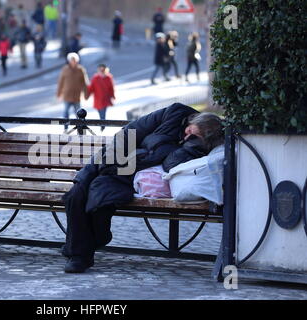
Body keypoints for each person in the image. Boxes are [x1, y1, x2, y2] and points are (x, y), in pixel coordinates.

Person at [61, 104, 224, 273]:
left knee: (100, 198)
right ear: (193, 120)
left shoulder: (197, 147)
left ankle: (80, 255)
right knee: (76, 194)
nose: (187, 135)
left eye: (194, 136)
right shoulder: (175, 113)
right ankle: (89, 243)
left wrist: (191, 144)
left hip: (131, 176)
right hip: (111, 159)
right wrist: (112, 160)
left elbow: (171, 164)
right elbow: (129, 132)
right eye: (190, 130)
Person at [57, 53, 89, 131]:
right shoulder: (65, 69)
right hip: (67, 95)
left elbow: (85, 82)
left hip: (77, 96)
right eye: (71, 60)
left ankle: (79, 127)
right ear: (69, 61)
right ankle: (65, 127)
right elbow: (60, 81)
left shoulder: (81, 69)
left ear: (77, 61)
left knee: (79, 114)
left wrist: (86, 94)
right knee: (66, 112)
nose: (73, 61)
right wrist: (59, 93)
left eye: (74, 60)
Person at [85, 64, 115, 131]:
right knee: (100, 112)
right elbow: (91, 88)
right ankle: (102, 124)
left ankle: (102, 125)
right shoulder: (95, 78)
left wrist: (113, 96)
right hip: (98, 99)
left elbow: (111, 88)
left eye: (103, 70)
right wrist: (87, 95)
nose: (102, 71)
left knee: (103, 113)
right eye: (100, 70)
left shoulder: (109, 77)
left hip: (105, 99)